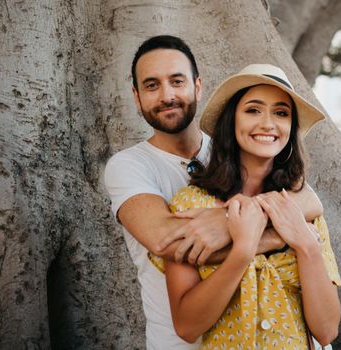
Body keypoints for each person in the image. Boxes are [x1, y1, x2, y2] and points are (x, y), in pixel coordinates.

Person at [104, 36, 325, 349]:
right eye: (152, 86)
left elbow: (308, 200)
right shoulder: (129, 166)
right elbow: (168, 241)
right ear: (136, 97)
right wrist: (276, 236)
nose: (167, 95)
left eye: (176, 81)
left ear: (197, 86)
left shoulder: (237, 147)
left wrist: (229, 222)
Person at [157, 64, 341, 349]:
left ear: (290, 129)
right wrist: (241, 251)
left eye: (281, 113)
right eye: (253, 110)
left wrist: (306, 245)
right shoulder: (190, 204)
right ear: (232, 121)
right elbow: (186, 326)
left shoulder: (301, 209)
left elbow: (327, 330)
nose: (268, 123)